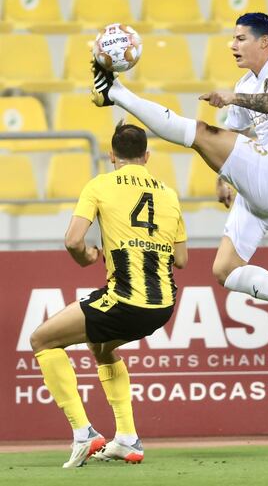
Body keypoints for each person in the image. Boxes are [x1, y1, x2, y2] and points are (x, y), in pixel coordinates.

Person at [91, 12, 268, 349]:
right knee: (226, 270)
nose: (231, 45)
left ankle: (116, 93)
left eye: (240, 38)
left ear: (264, 42)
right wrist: (227, 177)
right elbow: (236, 133)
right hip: (262, 193)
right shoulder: (247, 83)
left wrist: (233, 100)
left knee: (200, 134)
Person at [30, 122, 188, 468]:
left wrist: (88, 256)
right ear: (147, 156)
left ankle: (83, 433)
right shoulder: (168, 193)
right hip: (162, 305)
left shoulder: (100, 185)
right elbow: (182, 259)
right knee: (102, 349)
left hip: (126, 298)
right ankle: (127, 439)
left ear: (111, 154)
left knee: (42, 340)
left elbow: (73, 240)